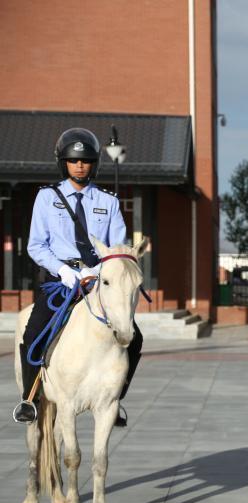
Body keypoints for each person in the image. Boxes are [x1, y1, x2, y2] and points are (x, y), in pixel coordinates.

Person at [13, 128, 141, 426]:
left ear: (94, 164)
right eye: (73, 161)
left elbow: (118, 249)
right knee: (33, 332)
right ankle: (30, 399)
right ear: (64, 163)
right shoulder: (46, 198)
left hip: (99, 282)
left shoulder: (108, 201)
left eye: (85, 161)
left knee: (134, 337)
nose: (80, 166)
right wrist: (65, 270)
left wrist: (95, 272)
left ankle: (115, 398)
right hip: (60, 281)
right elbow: (36, 245)